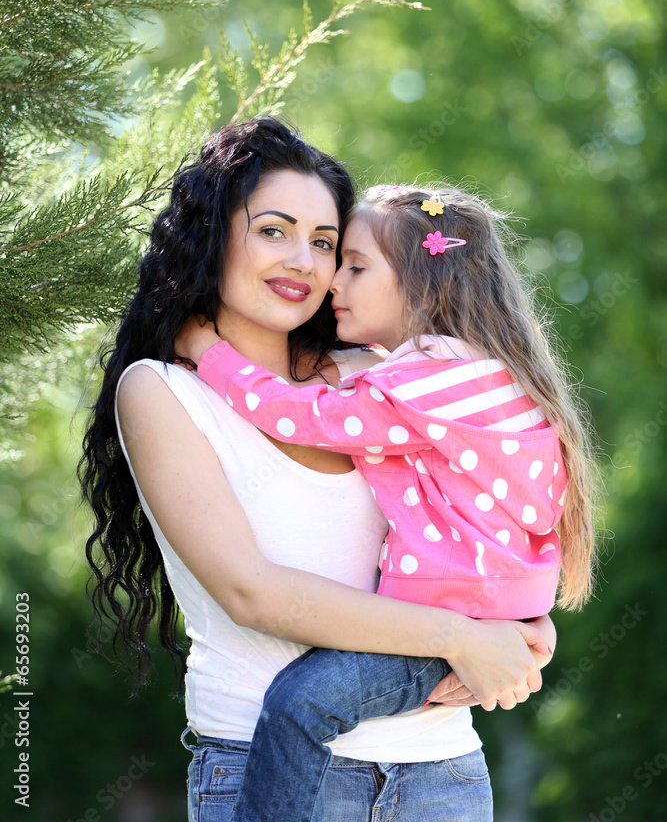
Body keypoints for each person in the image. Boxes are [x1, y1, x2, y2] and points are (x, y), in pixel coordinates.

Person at [80, 118, 557, 822]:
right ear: (212, 233)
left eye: (326, 243)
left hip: (440, 773)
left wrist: (524, 624)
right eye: (273, 230)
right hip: (268, 767)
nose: (304, 261)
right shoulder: (164, 392)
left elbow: (491, 502)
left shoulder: (387, 373)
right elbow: (253, 593)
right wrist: (460, 638)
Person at [177, 181, 600, 822]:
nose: (332, 283)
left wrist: (210, 354)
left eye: (354, 264)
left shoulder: (417, 384)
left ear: (419, 283)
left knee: (299, 706)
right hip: (491, 616)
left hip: (441, 623)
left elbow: (295, 415)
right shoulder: (488, 374)